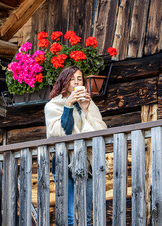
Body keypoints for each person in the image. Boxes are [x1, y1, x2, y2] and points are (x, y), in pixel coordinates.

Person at [44, 66, 107, 226]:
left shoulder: (89, 103)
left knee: (85, 215)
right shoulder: (52, 106)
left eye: (79, 78)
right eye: (72, 79)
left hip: (87, 163)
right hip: (64, 163)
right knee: (70, 216)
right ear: (64, 82)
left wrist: (85, 110)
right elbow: (62, 130)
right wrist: (69, 104)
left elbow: (100, 129)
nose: (77, 82)